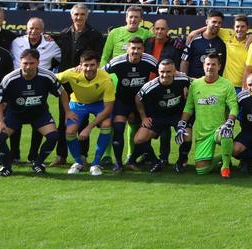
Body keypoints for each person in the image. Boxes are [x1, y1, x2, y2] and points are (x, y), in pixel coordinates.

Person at [0, 51, 66, 175]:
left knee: (53, 136)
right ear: (20, 62)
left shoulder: (48, 76)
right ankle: (6, 167)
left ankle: (38, 163)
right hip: (15, 114)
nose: (28, 66)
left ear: (38, 62)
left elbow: (62, 93)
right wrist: (0, 122)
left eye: (32, 63)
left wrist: (68, 111)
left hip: (39, 114)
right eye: (25, 63)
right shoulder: (10, 78)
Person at [50, 4, 105, 166]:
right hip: (67, 83)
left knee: (83, 120)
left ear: (86, 16)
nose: (79, 17)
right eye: (76, 15)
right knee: (63, 119)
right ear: (71, 16)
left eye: (82, 14)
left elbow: (97, 57)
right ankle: (61, 156)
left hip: (85, 82)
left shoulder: (94, 35)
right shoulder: (63, 34)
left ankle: (82, 155)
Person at [7, 16, 63, 164]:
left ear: (42, 30)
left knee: (38, 121)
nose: (34, 31)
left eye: (37, 28)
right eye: (31, 28)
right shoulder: (16, 42)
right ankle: (14, 155)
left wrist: (53, 75)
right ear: (27, 28)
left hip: (40, 86)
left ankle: (33, 156)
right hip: (17, 85)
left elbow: (62, 57)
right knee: (15, 121)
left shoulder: (51, 44)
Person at [57, 51, 117, 176]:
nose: (89, 68)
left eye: (92, 65)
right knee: (69, 131)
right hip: (78, 103)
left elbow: (108, 109)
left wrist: (88, 128)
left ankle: (96, 163)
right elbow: (53, 78)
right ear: (80, 65)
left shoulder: (106, 79)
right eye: (86, 65)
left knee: (106, 125)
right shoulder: (72, 73)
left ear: (98, 65)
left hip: (99, 104)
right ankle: (78, 162)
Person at [181, 54, 240, 178]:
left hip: (219, 129)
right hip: (202, 133)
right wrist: (182, 123)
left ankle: (225, 166)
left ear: (219, 66)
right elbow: (189, 107)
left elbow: (234, 106)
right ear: (203, 66)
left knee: (226, 132)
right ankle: (224, 157)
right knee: (201, 171)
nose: (210, 67)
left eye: (213, 64)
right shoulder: (195, 84)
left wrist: (229, 122)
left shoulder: (226, 84)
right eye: (208, 64)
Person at [105, 38, 159, 170]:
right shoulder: (117, 61)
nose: (136, 51)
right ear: (127, 49)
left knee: (144, 130)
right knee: (118, 129)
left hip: (142, 102)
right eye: (133, 48)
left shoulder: (149, 60)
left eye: (139, 48)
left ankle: (132, 160)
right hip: (122, 101)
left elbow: (165, 73)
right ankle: (118, 163)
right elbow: (101, 73)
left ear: (143, 50)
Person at [134, 55, 191, 172]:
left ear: (175, 71)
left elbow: (195, 83)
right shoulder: (150, 86)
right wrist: (143, 117)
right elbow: (138, 98)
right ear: (158, 71)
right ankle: (156, 162)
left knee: (187, 136)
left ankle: (181, 161)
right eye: (162, 72)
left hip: (177, 115)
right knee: (139, 139)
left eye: (169, 71)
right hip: (158, 117)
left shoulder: (183, 79)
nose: (165, 75)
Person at [182, 12, 229, 81]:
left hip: (214, 84)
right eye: (214, 22)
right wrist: (184, 80)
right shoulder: (194, 40)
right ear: (207, 22)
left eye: (219, 23)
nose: (217, 25)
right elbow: (184, 62)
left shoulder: (222, 42)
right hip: (195, 81)